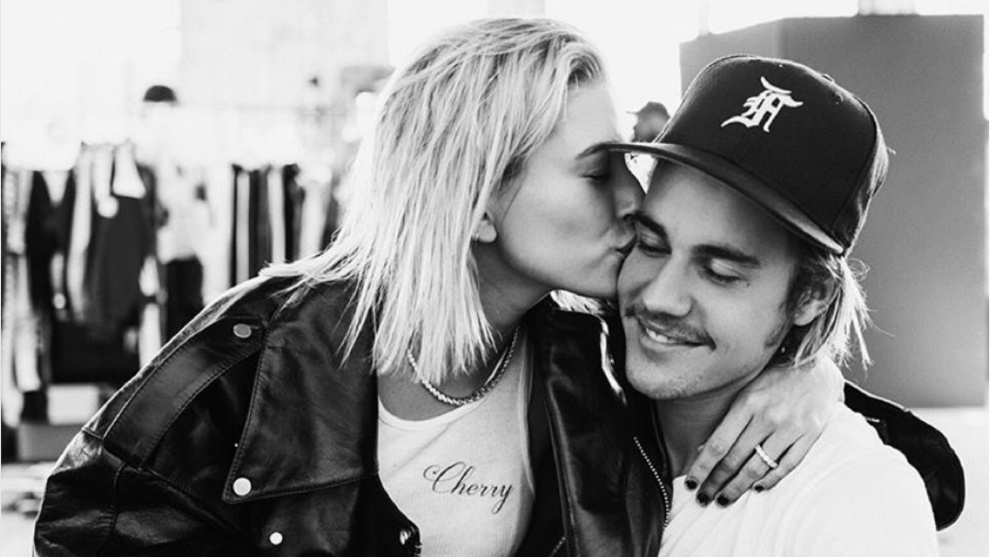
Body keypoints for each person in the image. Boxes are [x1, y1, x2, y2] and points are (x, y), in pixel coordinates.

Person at [33, 20, 955, 556]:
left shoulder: (584, 353)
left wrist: (811, 376)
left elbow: (901, 473)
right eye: (598, 171)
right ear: (477, 201)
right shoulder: (254, 362)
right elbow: (92, 519)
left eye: (628, 165)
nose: (632, 202)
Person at [610, 55, 950, 555]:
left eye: (719, 272)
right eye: (650, 243)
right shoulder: (567, 397)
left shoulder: (854, 498)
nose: (659, 296)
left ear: (810, 296)